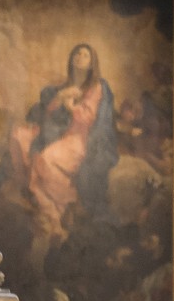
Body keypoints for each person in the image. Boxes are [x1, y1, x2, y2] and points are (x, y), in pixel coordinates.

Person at [10, 42, 118, 249]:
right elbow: (49, 112)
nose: (80, 56)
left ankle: (62, 206)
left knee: (46, 159)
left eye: (85, 55)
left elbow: (88, 118)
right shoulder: (64, 86)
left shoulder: (96, 87)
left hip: (81, 139)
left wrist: (70, 106)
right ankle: (42, 204)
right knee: (22, 138)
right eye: (77, 53)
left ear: (92, 63)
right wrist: (60, 98)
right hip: (60, 134)